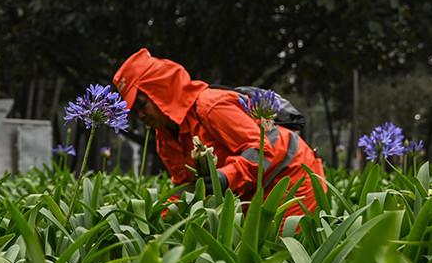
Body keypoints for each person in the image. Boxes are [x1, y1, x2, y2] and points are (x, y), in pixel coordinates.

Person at [112, 48, 325, 225]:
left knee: (286, 261)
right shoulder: (164, 140)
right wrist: (154, 222)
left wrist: (223, 177)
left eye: (141, 104)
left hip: (293, 178)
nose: (140, 116)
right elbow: (186, 190)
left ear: (160, 91)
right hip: (251, 193)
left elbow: (260, 151)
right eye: (134, 111)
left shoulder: (210, 106)